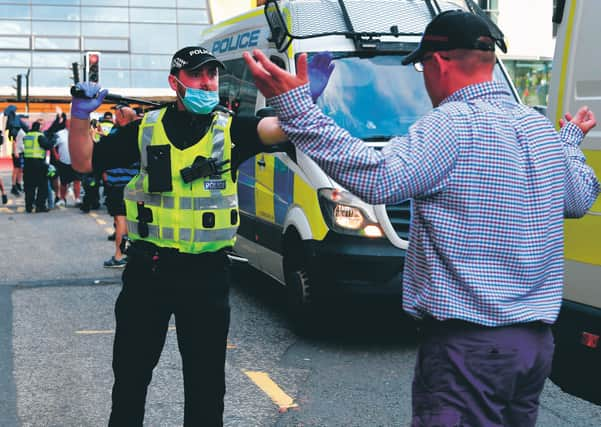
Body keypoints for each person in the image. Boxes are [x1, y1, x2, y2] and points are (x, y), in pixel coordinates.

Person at [243, 10, 600, 427]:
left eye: (420, 65)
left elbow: (379, 179)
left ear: (439, 61)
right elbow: (578, 200)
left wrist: (297, 111)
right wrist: (570, 143)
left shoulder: (450, 126)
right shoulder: (539, 129)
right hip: (533, 346)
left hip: (469, 350)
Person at [69, 46, 286, 426]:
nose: (208, 83)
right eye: (198, 75)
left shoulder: (231, 128)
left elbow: (277, 130)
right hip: (147, 272)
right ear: (175, 82)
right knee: (131, 379)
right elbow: (84, 162)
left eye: (213, 75)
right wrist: (78, 117)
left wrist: (302, 99)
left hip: (206, 276)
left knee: (206, 388)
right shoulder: (145, 129)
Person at [101, 104, 140, 268]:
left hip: (117, 185)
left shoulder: (115, 135)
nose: (115, 119)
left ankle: (118, 256)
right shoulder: (139, 135)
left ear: (123, 118)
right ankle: (132, 254)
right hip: (134, 184)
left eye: (117, 116)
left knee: (120, 220)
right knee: (132, 220)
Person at [23, 120, 53, 213]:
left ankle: (29, 206)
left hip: (27, 163)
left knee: (29, 186)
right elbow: (47, 146)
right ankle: (40, 206)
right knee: (42, 185)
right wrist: (52, 140)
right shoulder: (39, 136)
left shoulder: (27, 136)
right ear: (39, 128)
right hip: (38, 164)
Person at [53, 117, 82, 207]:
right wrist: (56, 155)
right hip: (63, 161)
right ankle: (62, 199)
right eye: (68, 123)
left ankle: (77, 199)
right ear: (65, 124)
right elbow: (53, 145)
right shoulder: (60, 134)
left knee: (77, 181)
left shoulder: (79, 133)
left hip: (76, 161)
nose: (70, 124)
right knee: (63, 182)